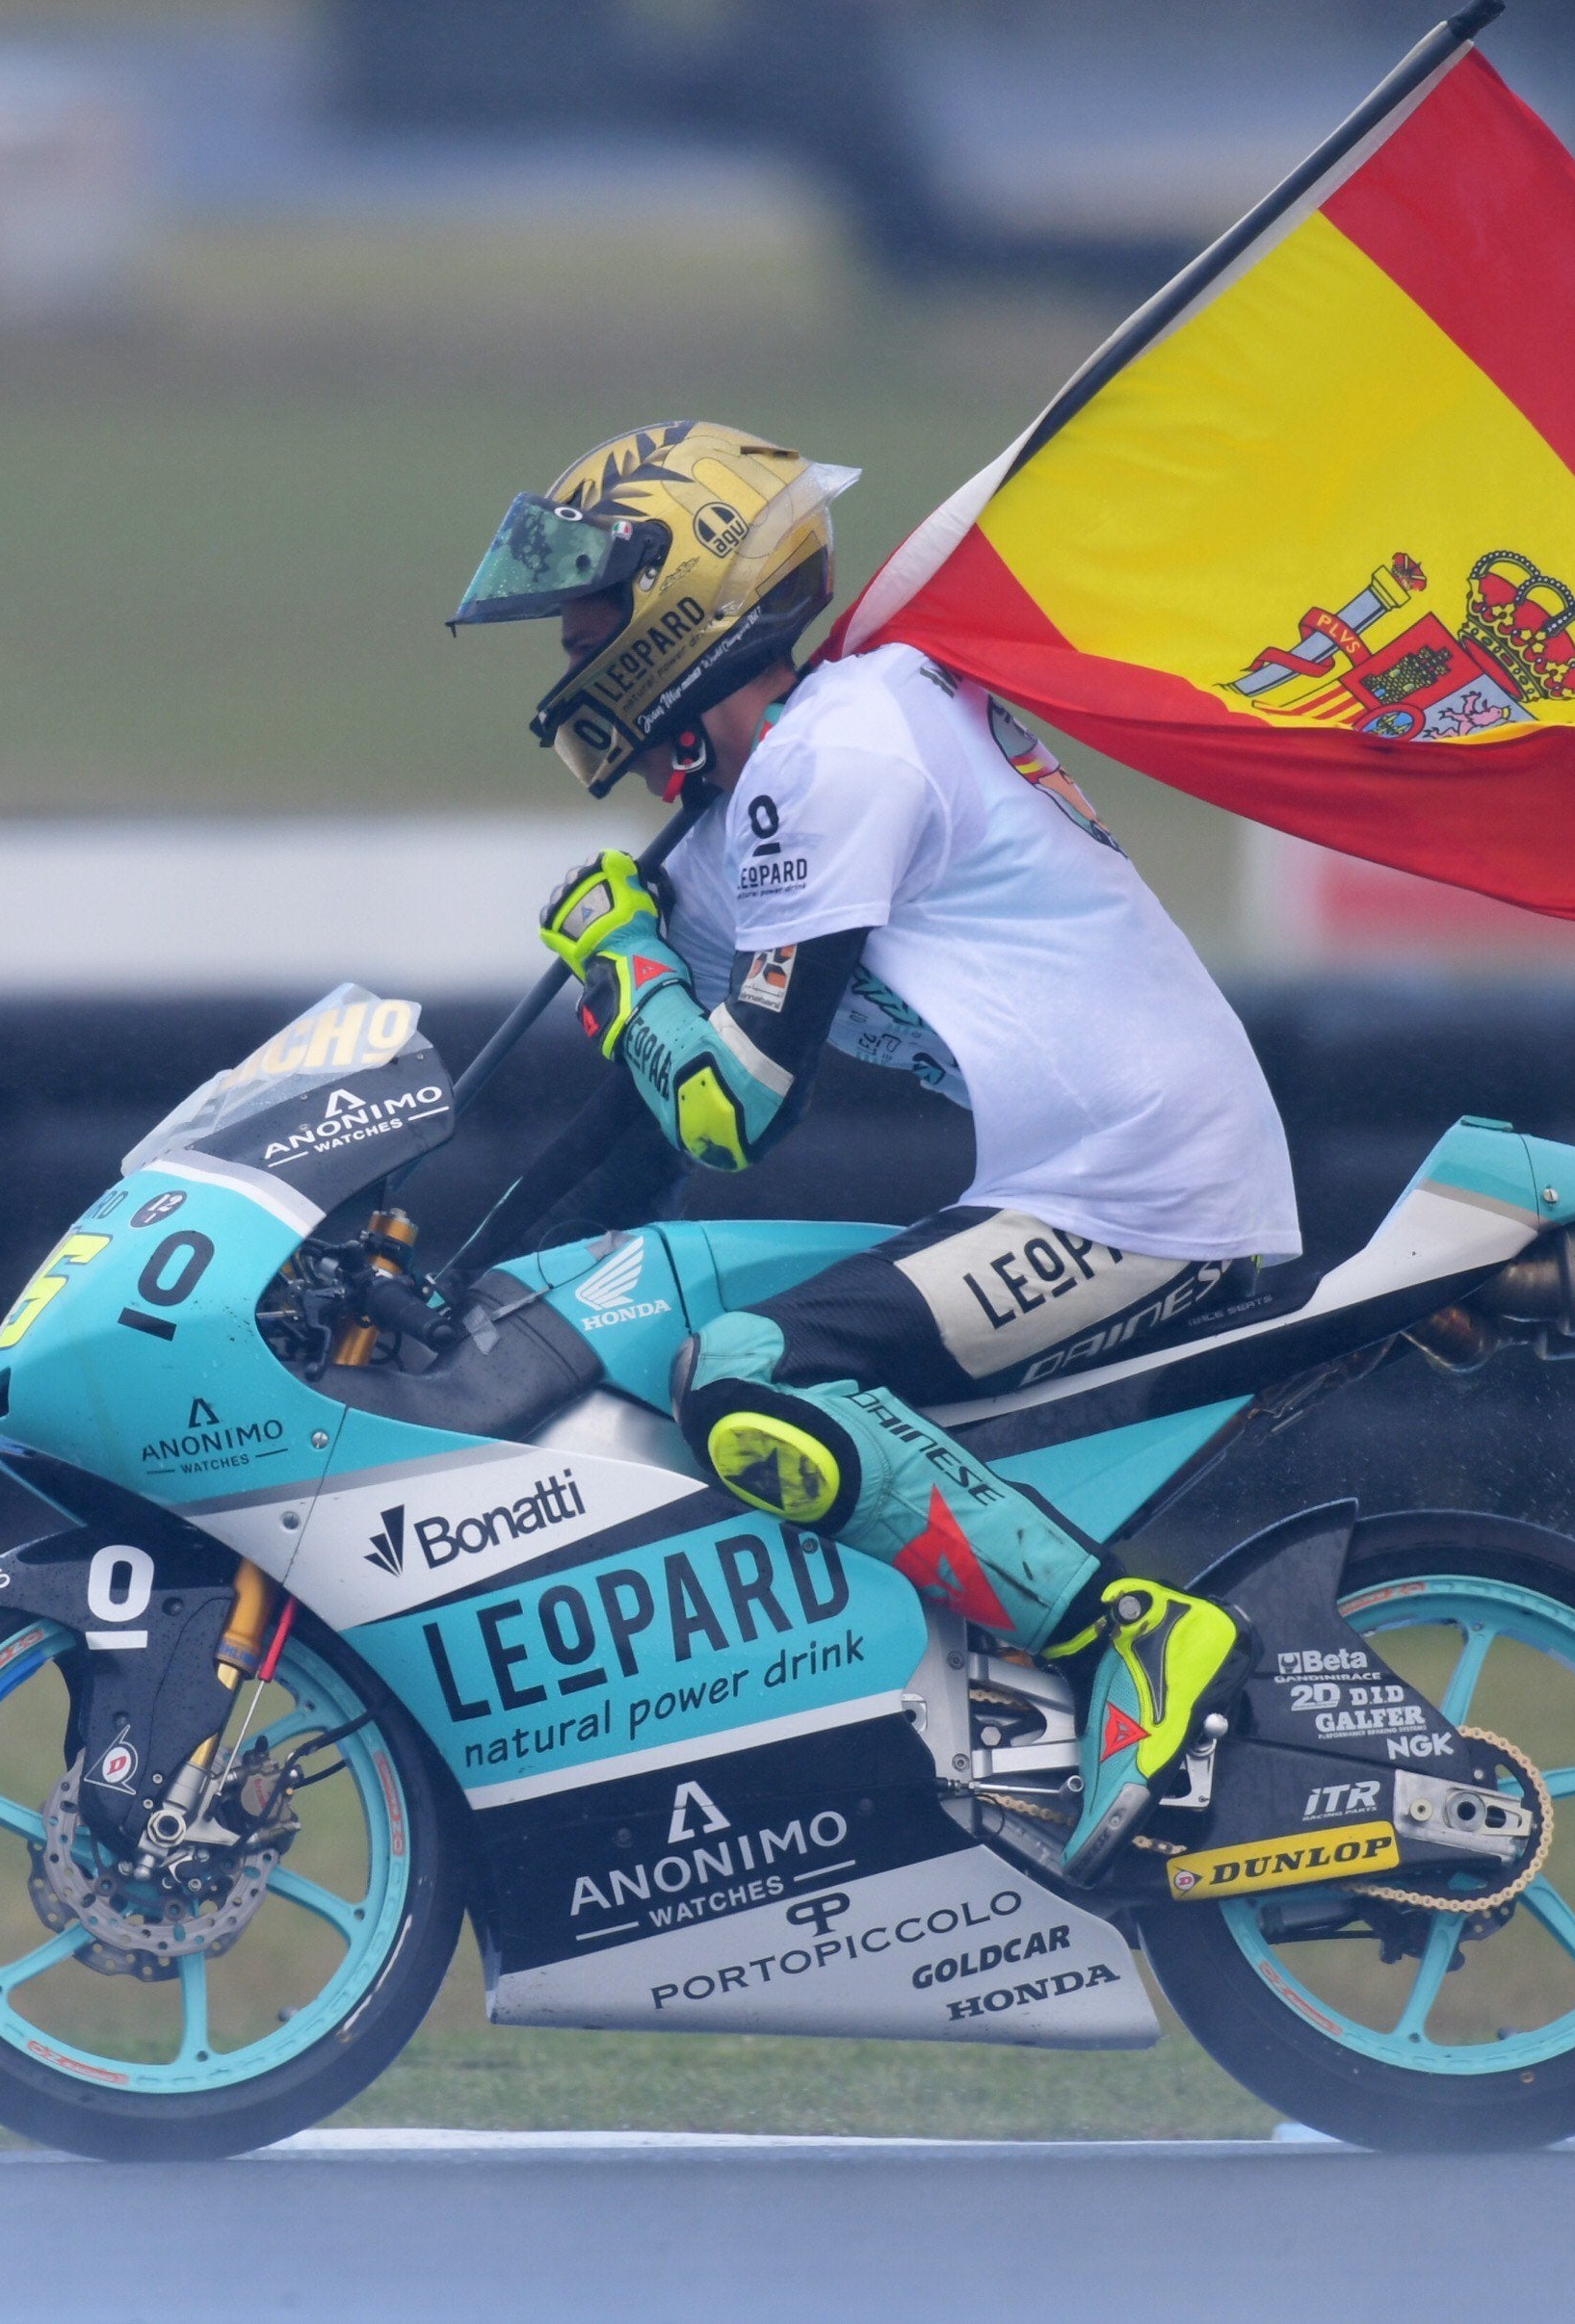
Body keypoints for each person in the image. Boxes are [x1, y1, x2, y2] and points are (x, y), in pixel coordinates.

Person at [448, 420, 1300, 1878]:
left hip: (1143, 1191)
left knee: (749, 1376)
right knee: (685, 1339)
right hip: (1075, 1180)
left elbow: (736, 1108)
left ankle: (1134, 1641)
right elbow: (644, 1135)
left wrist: (621, 966)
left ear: (683, 600)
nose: (569, 651)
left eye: (587, 613)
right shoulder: (751, 817)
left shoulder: (834, 754)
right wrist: (452, 1281)